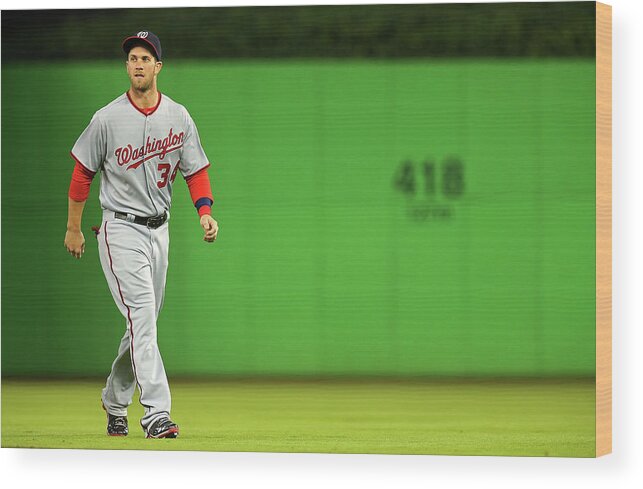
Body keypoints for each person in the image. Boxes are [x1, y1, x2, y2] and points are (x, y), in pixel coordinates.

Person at [64, 31, 218, 438]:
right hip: (120, 228)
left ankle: (114, 401)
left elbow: (196, 171)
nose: (137, 63)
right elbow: (83, 173)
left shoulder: (178, 116)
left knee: (141, 325)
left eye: (145, 58)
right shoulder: (107, 117)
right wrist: (73, 228)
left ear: (158, 67)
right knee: (144, 321)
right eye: (132, 57)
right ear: (126, 65)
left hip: (159, 231)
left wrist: (205, 212)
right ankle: (156, 414)